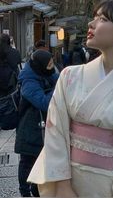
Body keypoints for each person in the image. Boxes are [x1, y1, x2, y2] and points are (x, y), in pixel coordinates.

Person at [28, 0, 113, 197]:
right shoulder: (69, 76)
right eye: (95, 17)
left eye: (103, 19)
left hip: (109, 188)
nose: (91, 24)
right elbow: (56, 132)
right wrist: (62, 186)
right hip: (68, 183)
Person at [14, 50, 59, 197]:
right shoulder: (28, 81)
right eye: (50, 64)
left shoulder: (46, 73)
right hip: (29, 126)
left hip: (43, 126)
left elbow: (60, 80)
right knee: (27, 160)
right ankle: (25, 191)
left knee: (41, 159)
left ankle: (36, 188)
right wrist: (59, 89)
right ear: (40, 65)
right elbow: (44, 102)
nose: (53, 67)